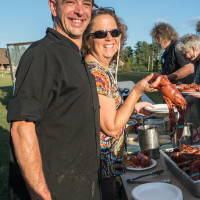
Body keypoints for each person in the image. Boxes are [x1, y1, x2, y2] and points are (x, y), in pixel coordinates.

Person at [7, 0, 102, 200]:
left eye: (86, 4)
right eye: (70, 2)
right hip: (55, 191)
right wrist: (41, 194)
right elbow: (22, 128)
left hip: (81, 187)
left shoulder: (76, 56)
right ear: (53, 7)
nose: (79, 11)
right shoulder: (44, 53)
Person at [82, 7, 161, 200]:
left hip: (105, 167)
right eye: (101, 33)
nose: (110, 38)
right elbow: (111, 127)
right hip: (101, 168)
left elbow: (102, 113)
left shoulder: (100, 68)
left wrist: (132, 108)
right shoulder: (97, 73)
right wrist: (137, 91)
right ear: (88, 38)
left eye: (114, 32)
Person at [176, 34, 200, 138]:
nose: (185, 57)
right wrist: (184, 104)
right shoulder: (197, 63)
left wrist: (185, 88)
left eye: (185, 53)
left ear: (193, 49)